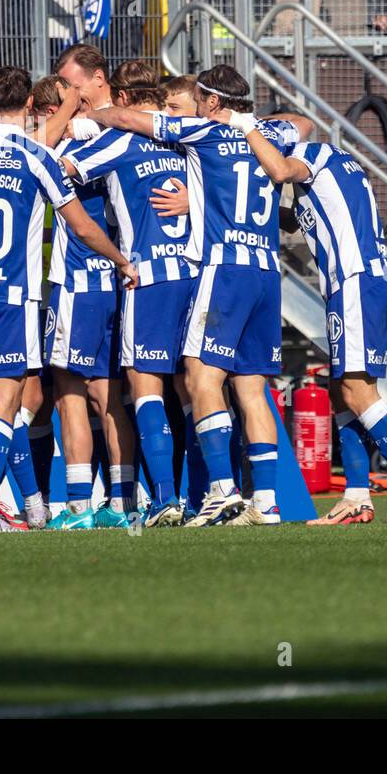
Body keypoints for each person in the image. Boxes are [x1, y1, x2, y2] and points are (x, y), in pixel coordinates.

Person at [0, 66, 137, 534]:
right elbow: (80, 225)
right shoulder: (37, 156)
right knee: (6, 399)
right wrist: (119, 258)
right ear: (28, 108)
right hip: (13, 296)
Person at [94, 66, 303, 527]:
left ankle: (222, 492)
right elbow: (304, 124)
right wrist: (251, 125)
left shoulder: (203, 131)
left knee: (200, 376)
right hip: (268, 272)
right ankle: (265, 504)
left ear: (210, 102)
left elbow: (131, 121)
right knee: (251, 389)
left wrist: (94, 115)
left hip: (224, 268)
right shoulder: (271, 133)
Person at [230, 118, 387, 525]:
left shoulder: (311, 156)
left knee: (358, 391)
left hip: (354, 281)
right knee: (339, 389)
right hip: (359, 282)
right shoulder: (335, 164)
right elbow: (292, 218)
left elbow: (279, 169)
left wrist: (248, 133)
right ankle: (357, 496)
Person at [54, 60, 200, 524]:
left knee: (144, 388)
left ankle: (163, 501)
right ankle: (211, 496)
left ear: (119, 98)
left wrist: (73, 131)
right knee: (198, 390)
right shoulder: (187, 136)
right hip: (197, 274)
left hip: (147, 274)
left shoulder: (120, 138)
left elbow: (61, 171)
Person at [47, 45, 140, 528]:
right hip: (114, 282)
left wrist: (68, 119)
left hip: (81, 279)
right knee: (109, 396)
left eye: (72, 84)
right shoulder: (131, 127)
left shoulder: (92, 133)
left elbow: (38, 154)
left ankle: (80, 506)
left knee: (71, 395)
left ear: (97, 78)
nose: (69, 94)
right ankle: (124, 502)